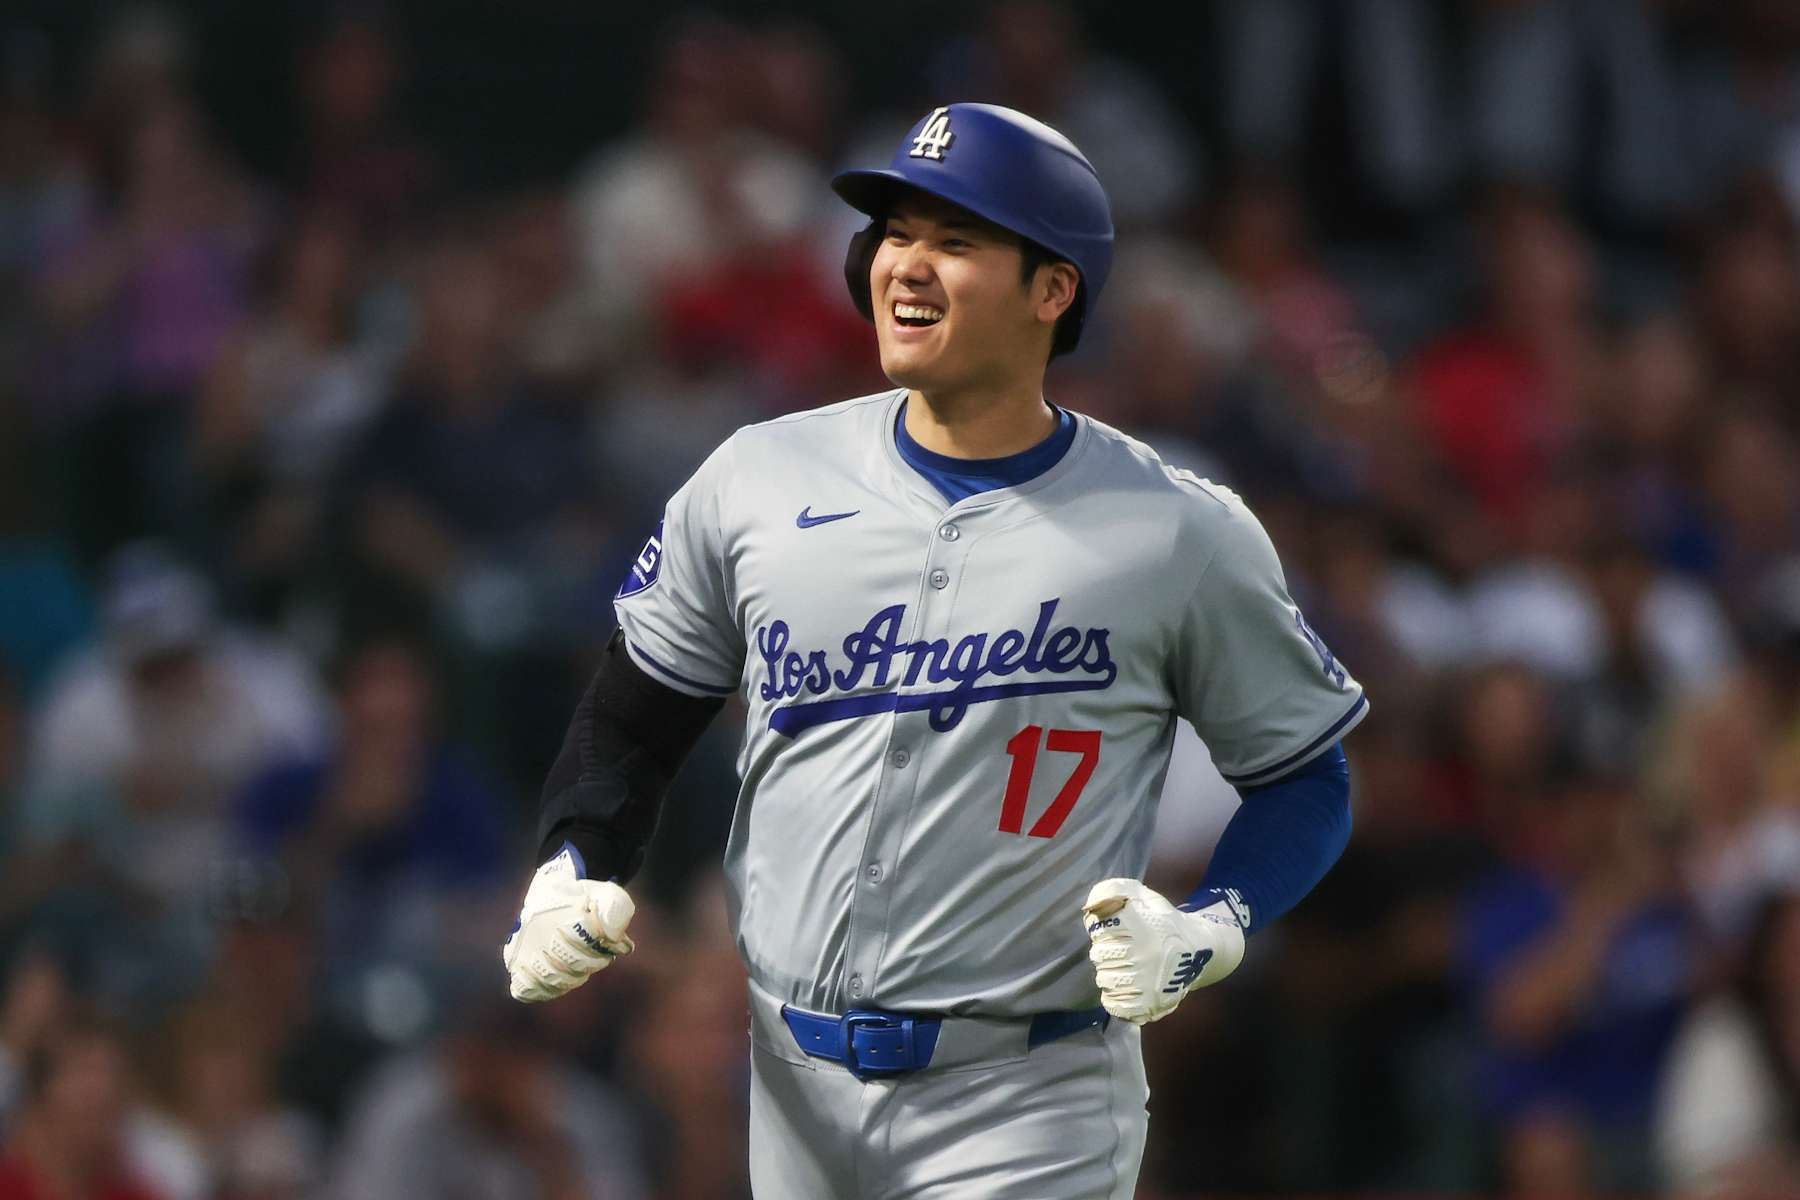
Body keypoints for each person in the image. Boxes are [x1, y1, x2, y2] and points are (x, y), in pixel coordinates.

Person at [502, 103, 1367, 1197]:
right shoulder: (757, 479)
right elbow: (634, 716)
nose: (906, 266)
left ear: (1053, 291)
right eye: (897, 233)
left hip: (1026, 1095)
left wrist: (1214, 925)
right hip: (791, 1085)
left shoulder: (1176, 528)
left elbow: (1307, 774)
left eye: (956, 242)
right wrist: (571, 866)